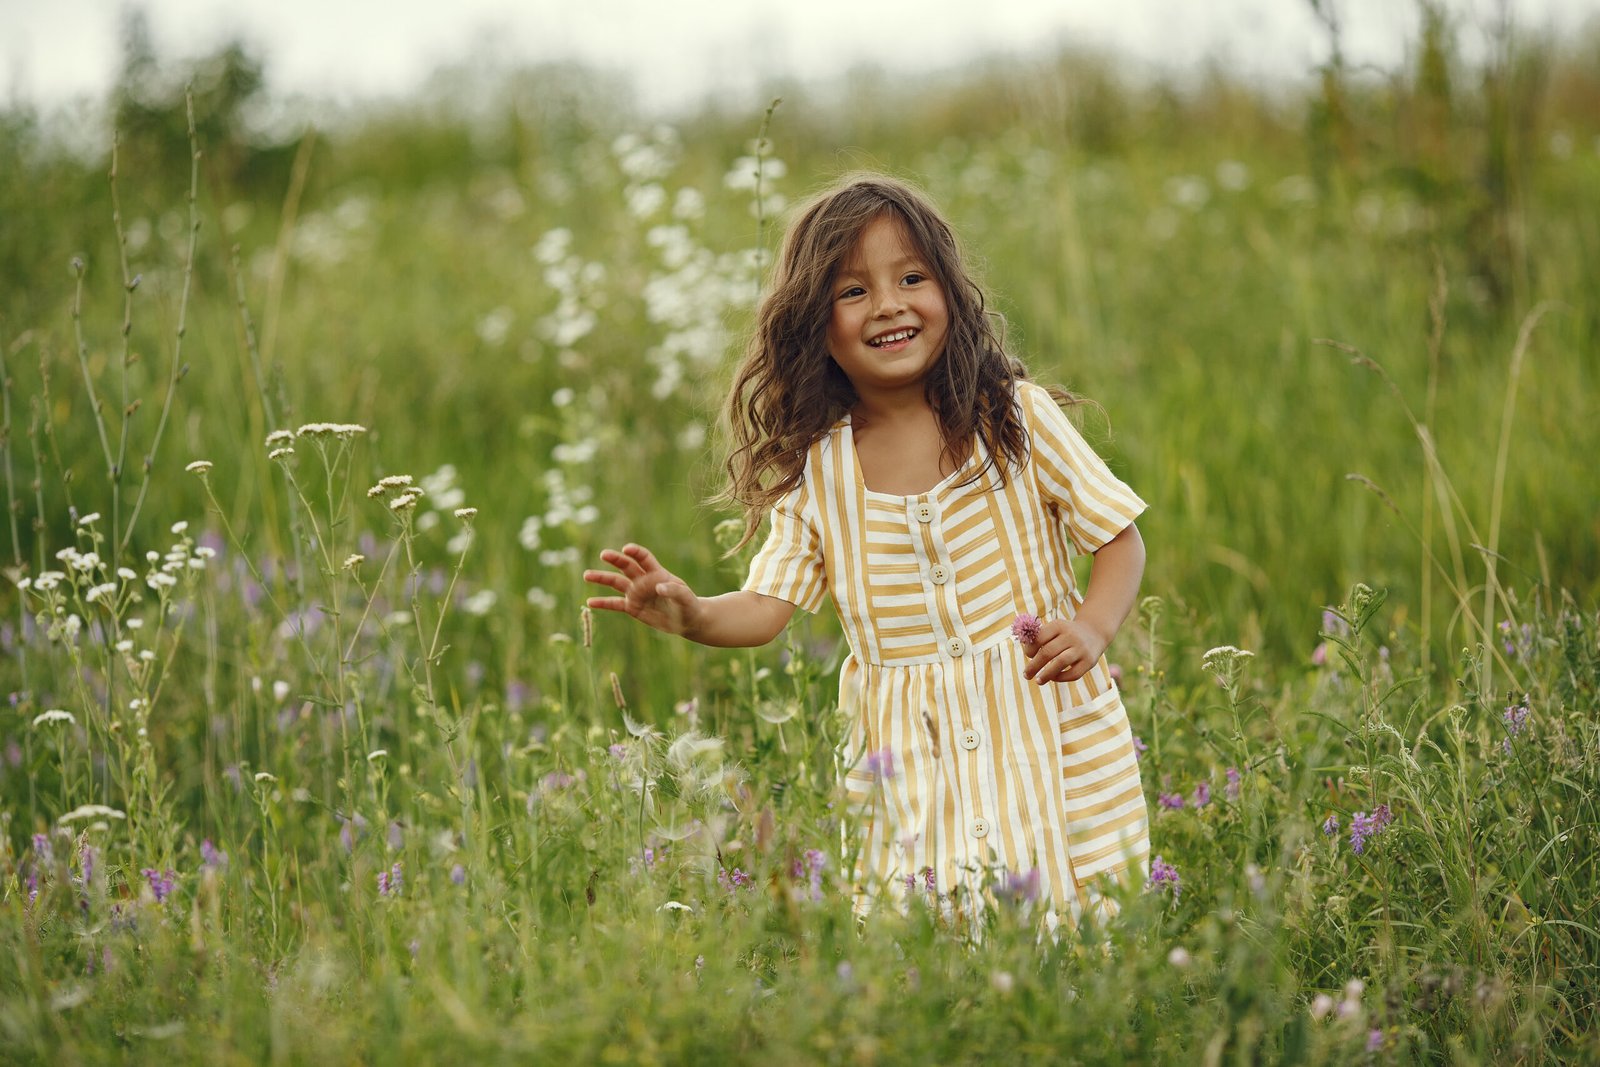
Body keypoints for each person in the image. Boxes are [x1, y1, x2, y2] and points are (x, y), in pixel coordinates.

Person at [585, 173, 1149, 928]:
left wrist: (1090, 627)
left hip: (1046, 724)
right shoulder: (818, 473)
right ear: (814, 326)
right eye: (853, 292)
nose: (888, 304)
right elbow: (763, 608)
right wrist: (691, 613)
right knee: (931, 937)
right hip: (912, 755)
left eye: (912, 278)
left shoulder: (1013, 418)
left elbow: (1117, 535)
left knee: (1082, 923)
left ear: (949, 292)